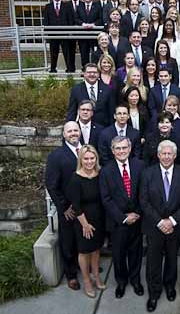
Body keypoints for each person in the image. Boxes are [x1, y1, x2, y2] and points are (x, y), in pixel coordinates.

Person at [140, 140, 180, 312]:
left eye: (170, 153)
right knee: (153, 261)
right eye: (164, 153)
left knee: (172, 258)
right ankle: (154, 293)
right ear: (158, 155)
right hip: (154, 226)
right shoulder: (147, 174)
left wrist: (172, 221)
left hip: (176, 226)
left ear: (175, 155)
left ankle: (170, 286)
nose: (167, 156)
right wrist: (160, 222)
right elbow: (144, 201)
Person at [100, 136, 146, 299]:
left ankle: (135, 280)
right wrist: (123, 217)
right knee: (118, 255)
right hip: (117, 221)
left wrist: (137, 213)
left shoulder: (140, 166)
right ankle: (121, 282)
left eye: (124, 148)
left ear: (130, 148)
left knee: (136, 252)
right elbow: (106, 199)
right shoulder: (106, 170)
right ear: (112, 151)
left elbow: (144, 193)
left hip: (137, 219)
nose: (121, 151)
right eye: (118, 148)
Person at [45, 122, 82, 291]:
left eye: (76, 130)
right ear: (64, 134)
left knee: (84, 238)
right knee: (68, 241)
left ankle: (84, 265)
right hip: (69, 208)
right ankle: (71, 274)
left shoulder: (87, 150)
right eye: (70, 131)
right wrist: (64, 207)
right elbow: (52, 185)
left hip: (87, 206)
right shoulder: (56, 156)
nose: (73, 133)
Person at [67, 145, 107, 298]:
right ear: (81, 160)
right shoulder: (76, 178)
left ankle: (96, 276)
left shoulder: (100, 174)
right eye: (86, 159)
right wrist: (85, 224)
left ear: (96, 159)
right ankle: (86, 281)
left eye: (92, 158)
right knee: (84, 252)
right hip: (84, 222)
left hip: (99, 219)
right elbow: (76, 206)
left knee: (96, 249)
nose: (89, 161)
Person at [43, 0, 74, 72]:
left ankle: (69, 69)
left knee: (67, 52)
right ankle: (53, 68)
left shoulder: (66, 6)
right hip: (53, 34)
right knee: (53, 52)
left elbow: (70, 19)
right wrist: (47, 33)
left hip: (65, 33)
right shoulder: (48, 7)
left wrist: (70, 32)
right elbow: (46, 20)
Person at [74, 0, 102, 68]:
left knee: (95, 53)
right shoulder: (79, 7)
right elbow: (76, 18)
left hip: (94, 35)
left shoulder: (97, 6)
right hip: (83, 35)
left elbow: (100, 19)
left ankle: (95, 68)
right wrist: (83, 24)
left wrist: (93, 24)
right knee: (84, 53)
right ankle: (84, 69)